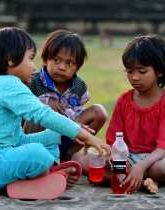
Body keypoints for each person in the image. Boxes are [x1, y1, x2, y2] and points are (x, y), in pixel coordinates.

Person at [0, 27, 112, 200]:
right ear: (12, 60)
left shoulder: (4, 85)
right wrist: (83, 134)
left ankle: (36, 178)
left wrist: (62, 133)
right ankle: (43, 175)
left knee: (47, 144)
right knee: (37, 153)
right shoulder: (7, 84)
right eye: (31, 58)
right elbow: (42, 114)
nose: (35, 66)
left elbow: (19, 140)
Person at [72, 33, 165, 194]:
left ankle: (132, 179)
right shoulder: (124, 101)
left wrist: (141, 166)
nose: (134, 77)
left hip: (156, 160)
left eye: (142, 71)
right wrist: (115, 159)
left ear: (159, 71)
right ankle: (144, 182)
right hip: (127, 158)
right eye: (130, 71)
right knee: (77, 159)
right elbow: (114, 139)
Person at [23, 29, 108, 162]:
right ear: (45, 60)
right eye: (56, 60)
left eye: (69, 63)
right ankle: (39, 159)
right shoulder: (34, 81)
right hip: (37, 138)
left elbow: (80, 108)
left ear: (77, 67)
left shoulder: (79, 86)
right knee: (40, 113)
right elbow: (23, 110)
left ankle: (69, 154)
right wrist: (43, 105)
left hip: (68, 133)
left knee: (100, 111)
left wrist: (73, 125)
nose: (62, 67)